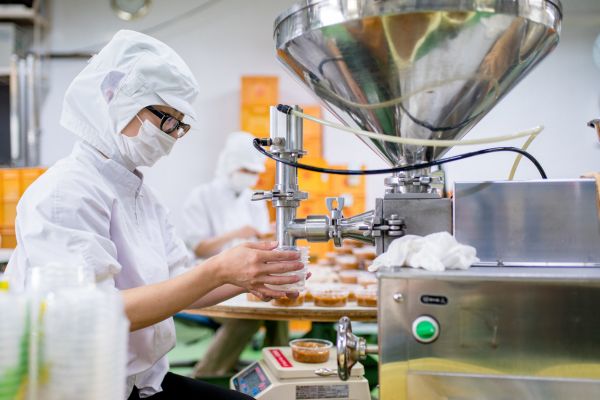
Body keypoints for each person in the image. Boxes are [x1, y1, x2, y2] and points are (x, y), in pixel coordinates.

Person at [5, 30, 302, 400]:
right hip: (82, 387)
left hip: (140, 381)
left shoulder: (140, 195)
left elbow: (180, 281)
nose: (173, 135)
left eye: (181, 125)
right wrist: (220, 268)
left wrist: (252, 276)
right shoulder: (66, 193)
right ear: (114, 99)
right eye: (167, 119)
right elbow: (96, 313)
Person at [182, 132, 288, 378]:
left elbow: (262, 239)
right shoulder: (203, 196)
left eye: (254, 171)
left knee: (279, 309)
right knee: (248, 316)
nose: (249, 176)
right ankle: (208, 375)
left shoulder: (255, 198)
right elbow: (199, 248)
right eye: (245, 169)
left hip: (249, 278)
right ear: (229, 164)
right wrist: (236, 233)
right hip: (210, 281)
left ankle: (279, 373)